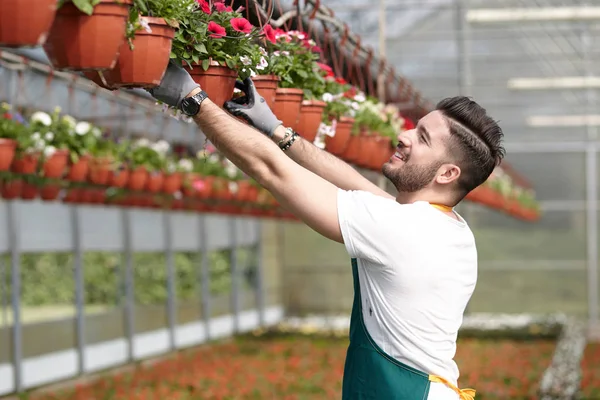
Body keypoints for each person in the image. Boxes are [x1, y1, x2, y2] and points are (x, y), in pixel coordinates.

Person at [148, 61, 505, 400]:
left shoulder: (401, 229)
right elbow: (356, 185)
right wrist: (279, 131)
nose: (404, 135)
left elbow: (272, 170)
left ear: (447, 174)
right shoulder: (445, 227)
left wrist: (193, 99)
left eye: (423, 138)